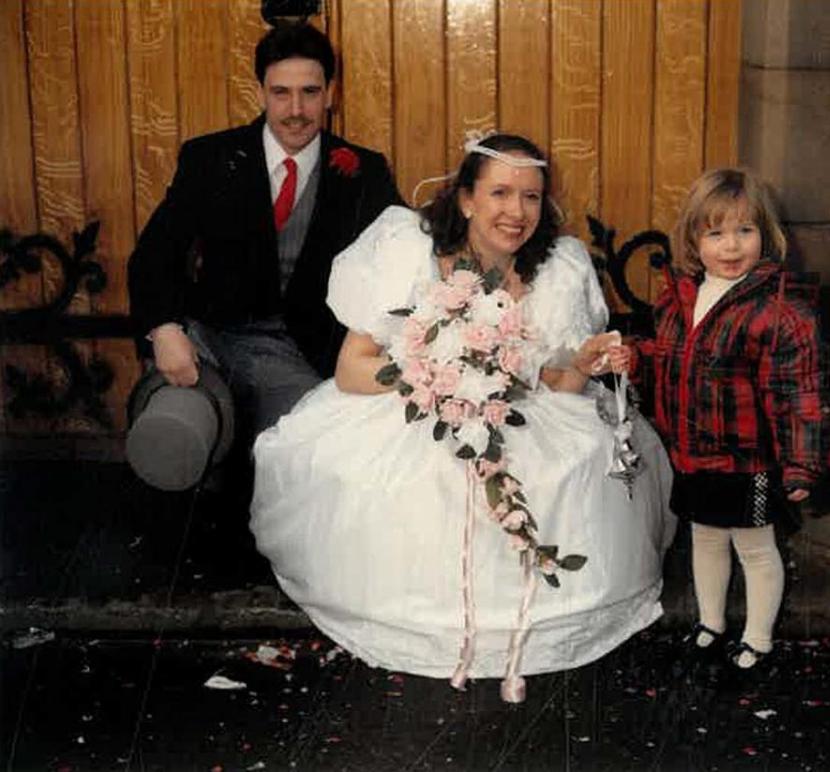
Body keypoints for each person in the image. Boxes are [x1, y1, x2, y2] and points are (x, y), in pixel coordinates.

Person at [250, 134, 676, 701]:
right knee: (433, 478)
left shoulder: (557, 268)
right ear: (467, 198)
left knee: (569, 464)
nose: (515, 211)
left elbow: (556, 385)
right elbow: (353, 370)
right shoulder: (412, 250)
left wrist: (583, 360)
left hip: (521, 411)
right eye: (499, 192)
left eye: (530, 196)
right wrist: (431, 377)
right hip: (413, 404)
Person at [127, 22, 402, 475]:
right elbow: (155, 253)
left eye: (310, 92)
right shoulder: (210, 158)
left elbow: (404, 256)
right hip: (207, 341)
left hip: (298, 356)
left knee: (318, 455)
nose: (296, 110)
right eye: (281, 93)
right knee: (172, 435)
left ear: (331, 93)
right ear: (260, 92)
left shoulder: (364, 172)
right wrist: (164, 329)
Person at [615, 168, 830, 673]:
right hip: (692, 452)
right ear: (694, 240)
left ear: (766, 235)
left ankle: (757, 637)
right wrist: (636, 357)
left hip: (748, 459)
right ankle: (711, 623)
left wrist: (800, 464)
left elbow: (801, 390)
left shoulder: (781, 311)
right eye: (715, 233)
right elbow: (669, 357)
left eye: (744, 231)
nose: (730, 246)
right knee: (706, 538)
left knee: (754, 547)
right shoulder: (681, 298)